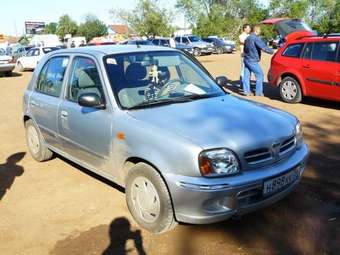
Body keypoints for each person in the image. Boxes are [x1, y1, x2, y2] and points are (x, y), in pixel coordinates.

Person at [243, 25, 274, 96]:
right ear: (256, 30)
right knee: (260, 75)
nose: (260, 31)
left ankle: (246, 92)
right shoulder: (255, 38)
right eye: (259, 30)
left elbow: (245, 49)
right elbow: (263, 47)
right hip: (252, 60)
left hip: (246, 59)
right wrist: (272, 51)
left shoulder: (248, 38)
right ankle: (258, 92)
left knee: (246, 76)